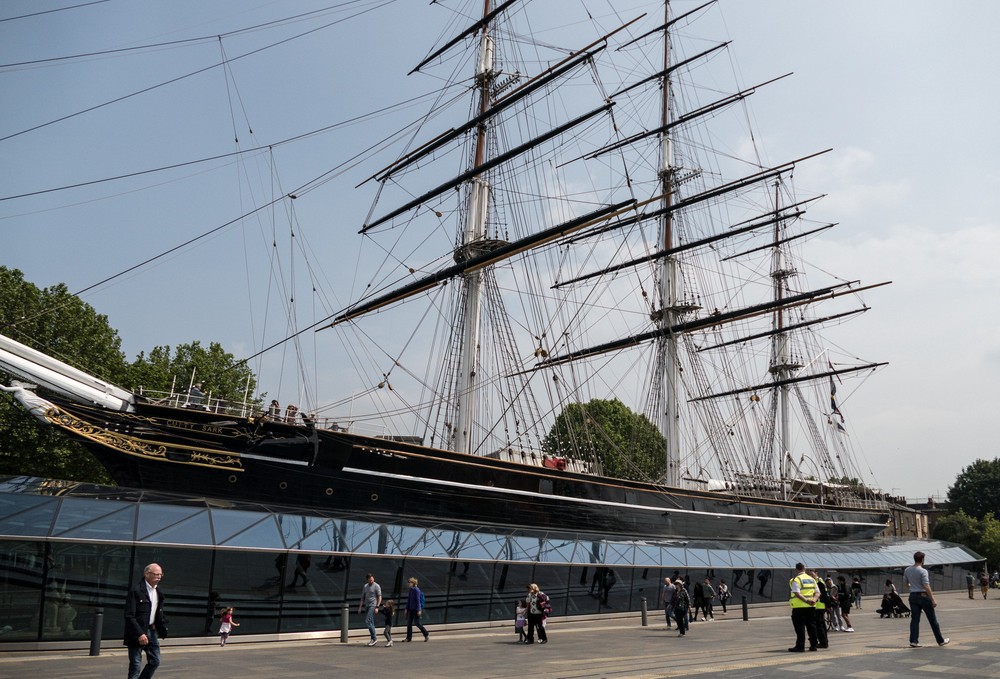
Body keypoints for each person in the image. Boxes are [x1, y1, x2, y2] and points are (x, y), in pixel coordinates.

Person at [124, 563, 168, 679]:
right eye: (156, 574)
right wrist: (140, 633)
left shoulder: (158, 592)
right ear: (146, 574)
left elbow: (157, 611)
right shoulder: (136, 590)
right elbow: (129, 615)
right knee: (135, 665)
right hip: (137, 632)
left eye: (160, 574)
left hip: (151, 631)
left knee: (155, 660)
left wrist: (159, 624)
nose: (159, 577)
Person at [903, 550, 949, 648]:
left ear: (914, 559)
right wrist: (932, 599)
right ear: (922, 560)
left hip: (912, 596)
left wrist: (913, 586)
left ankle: (913, 641)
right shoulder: (923, 571)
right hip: (923, 596)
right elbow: (926, 586)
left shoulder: (907, 570)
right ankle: (940, 640)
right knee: (932, 619)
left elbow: (906, 584)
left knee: (915, 619)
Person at [788, 562, 818, 653]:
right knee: (811, 626)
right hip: (811, 607)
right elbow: (817, 592)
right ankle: (814, 645)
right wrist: (814, 600)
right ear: (804, 569)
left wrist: (806, 601)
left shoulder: (796, 580)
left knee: (800, 627)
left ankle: (800, 646)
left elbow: (797, 593)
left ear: (797, 569)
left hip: (799, 607)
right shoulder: (812, 579)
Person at [358, 573, 382, 646]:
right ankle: (373, 638)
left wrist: (377, 606)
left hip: (373, 605)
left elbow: (379, 597)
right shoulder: (365, 586)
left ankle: (374, 638)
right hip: (367, 605)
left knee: (368, 621)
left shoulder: (376, 586)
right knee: (371, 622)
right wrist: (360, 607)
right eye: (370, 580)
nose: (371, 581)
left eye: (372, 579)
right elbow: (363, 597)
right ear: (367, 580)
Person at [403, 577, 429, 642]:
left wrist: (419, 610)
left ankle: (426, 634)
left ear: (413, 583)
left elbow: (418, 601)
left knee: (417, 623)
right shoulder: (411, 590)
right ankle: (408, 638)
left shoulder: (416, 590)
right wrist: (406, 608)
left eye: (410, 583)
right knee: (409, 624)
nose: (409, 584)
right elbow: (409, 600)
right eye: (408, 582)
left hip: (416, 609)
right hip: (410, 609)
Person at [809, 570, 829, 649]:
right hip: (818, 606)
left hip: (819, 606)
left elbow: (823, 594)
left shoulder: (819, 582)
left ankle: (823, 642)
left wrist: (827, 606)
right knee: (821, 625)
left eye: (812, 573)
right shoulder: (818, 581)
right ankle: (824, 641)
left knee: (819, 626)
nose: (811, 575)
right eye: (809, 574)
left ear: (816, 573)